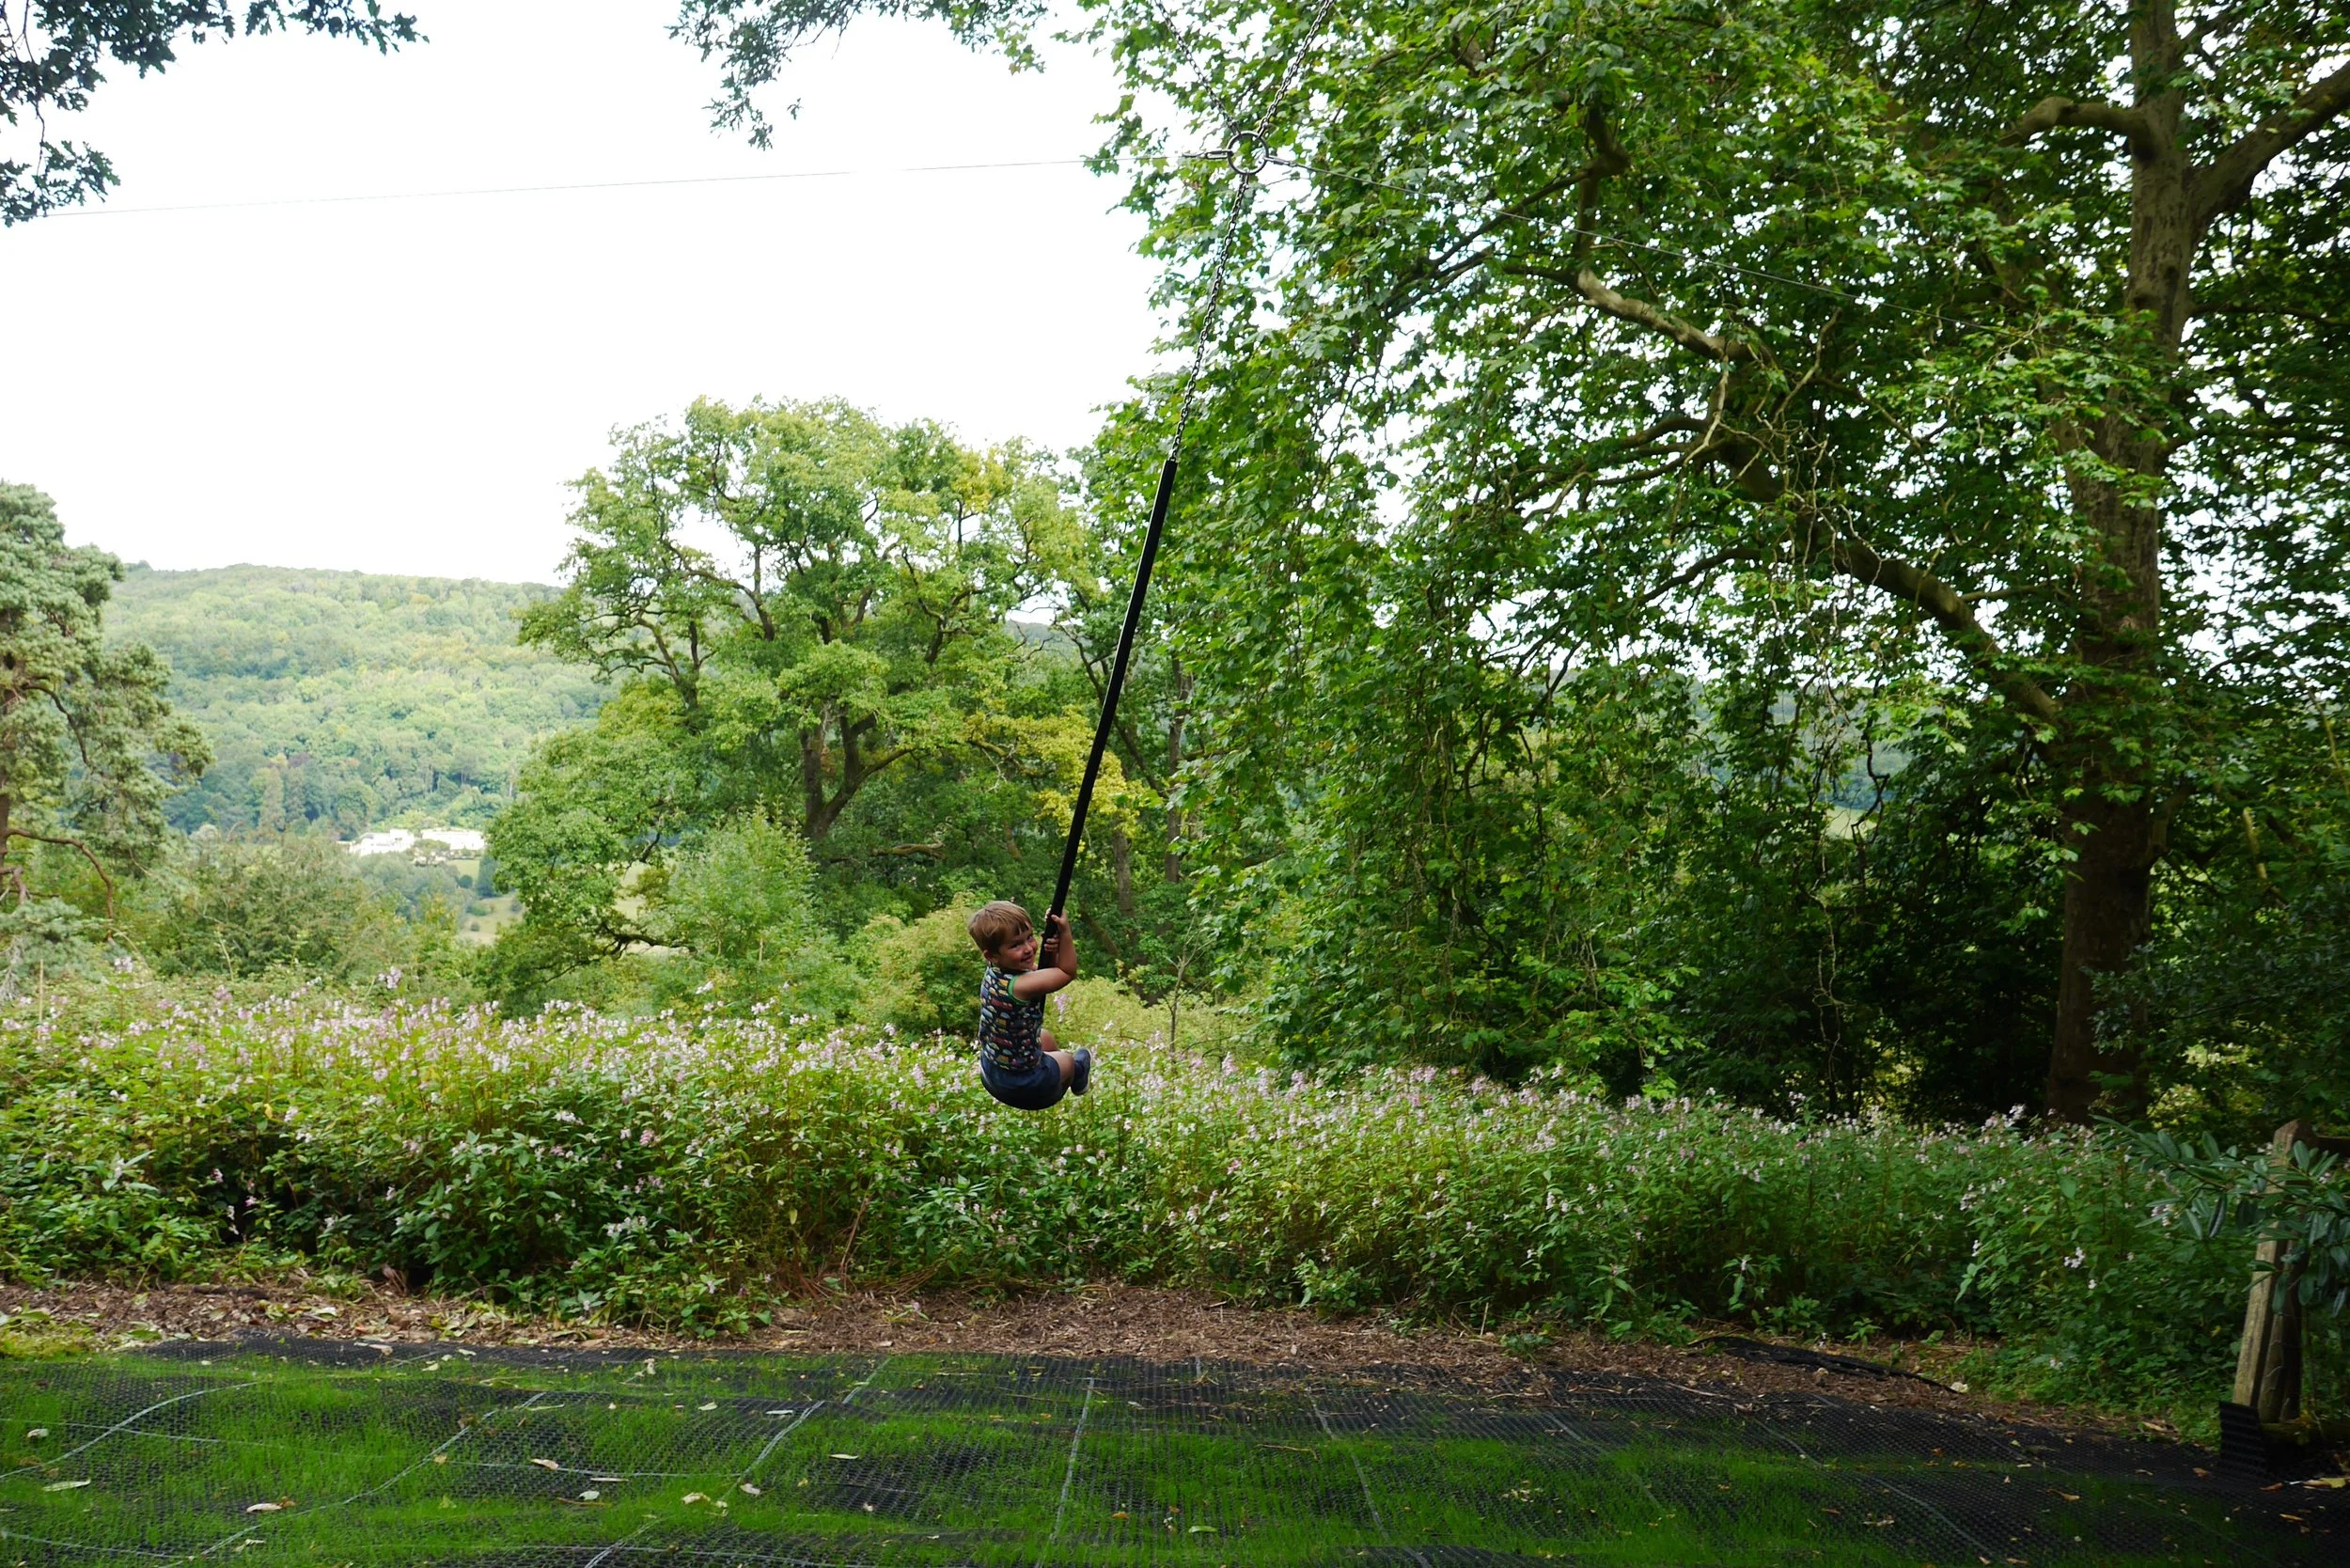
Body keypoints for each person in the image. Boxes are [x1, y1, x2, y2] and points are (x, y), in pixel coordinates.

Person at [967, 900, 1091, 1110]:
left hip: (993, 1069)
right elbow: (1066, 972)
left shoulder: (997, 970)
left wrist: (1052, 952)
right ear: (992, 955)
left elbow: (1043, 974)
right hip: (1024, 1084)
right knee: (1067, 1060)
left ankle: (1054, 1068)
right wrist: (1065, 934)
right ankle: (1077, 1075)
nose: (1028, 948)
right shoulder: (1020, 985)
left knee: (1046, 1037)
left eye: (1030, 938)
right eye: (1016, 944)